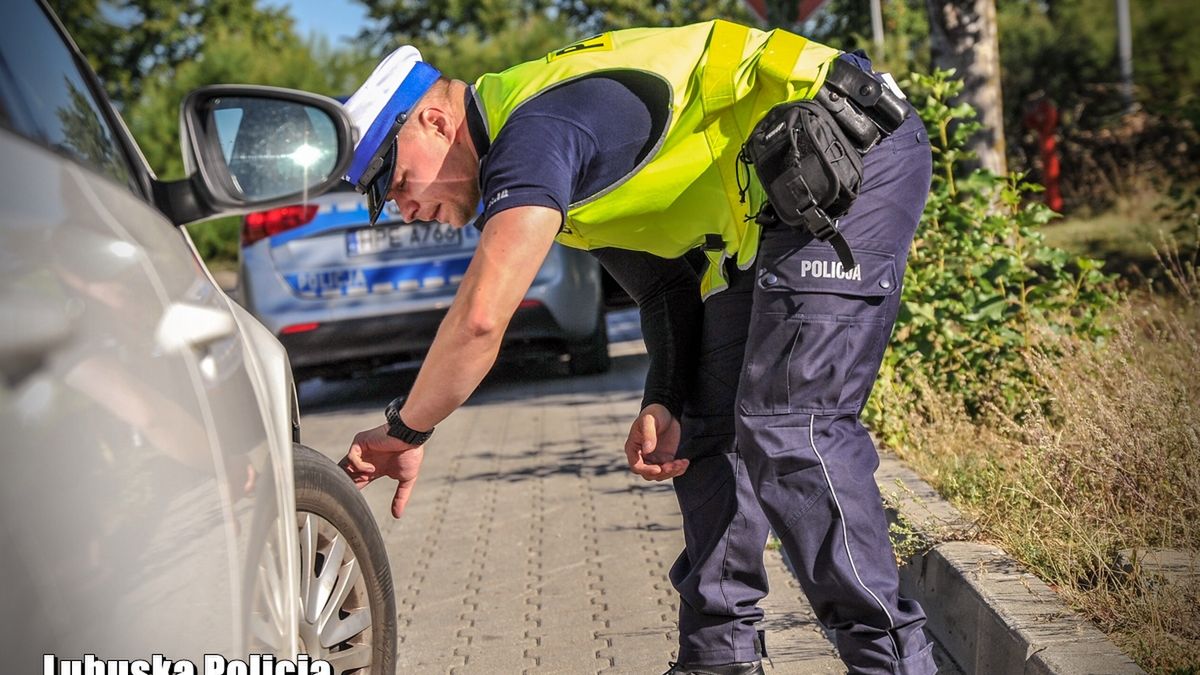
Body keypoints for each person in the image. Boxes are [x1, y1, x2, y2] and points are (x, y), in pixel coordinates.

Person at [337, 21, 936, 675]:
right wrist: (666, 394)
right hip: (772, 198)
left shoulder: (533, 136)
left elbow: (480, 319)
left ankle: (895, 662)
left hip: (846, 142)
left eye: (394, 182)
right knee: (700, 431)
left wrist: (406, 427)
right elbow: (662, 284)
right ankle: (719, 658)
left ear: (432, 120)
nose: (401, 207)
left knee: (792, 424)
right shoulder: (541, 152)